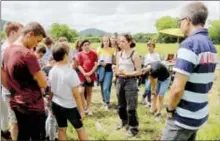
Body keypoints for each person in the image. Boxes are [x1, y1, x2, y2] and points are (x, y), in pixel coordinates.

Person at [161, 2, 218, 141]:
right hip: (199, 113)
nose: (179, 25)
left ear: (187, 20)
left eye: (179, 21)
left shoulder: (189, 44)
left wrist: (170, 109)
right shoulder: (211, 45)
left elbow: (176, 89)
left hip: (183, 117)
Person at [1, 22, 47, 140]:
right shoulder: (28, 54)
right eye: (37, 41)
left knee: (23, 135)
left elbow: (2, 74)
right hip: (33, 106)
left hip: (16, 102)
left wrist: (13, 90)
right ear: (30, 34)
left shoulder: (7, 50)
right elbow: (43, 83)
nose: (36, 45)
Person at [49, 42, 87, 140]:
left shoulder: (52, 70)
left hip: (56, 104)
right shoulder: (71, 73)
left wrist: (51, 105)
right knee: (80, 129)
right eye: (69, 53)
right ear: (65, 55)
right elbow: (76, 95)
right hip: (70, 106)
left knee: (62, 129)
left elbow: (51, 91)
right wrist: (81, 110)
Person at [1, 22, 23, 140]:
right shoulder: (4, 50)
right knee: (14, 122)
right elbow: (2, 74)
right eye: (21, 33)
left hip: (16, 92)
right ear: (13, 33)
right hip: (11, 93)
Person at [115, 34, 141, 136]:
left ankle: (133, 129)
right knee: (121, 105)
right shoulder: (118, 54)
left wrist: (128, 74)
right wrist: (116, 71)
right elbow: (117, 68)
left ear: (129, 42)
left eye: (123, 41)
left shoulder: (134, 54)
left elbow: (139, 71)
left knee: (131, 107)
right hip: (120, 81)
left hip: (131, 81)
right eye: (119, 41)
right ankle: (124, 121)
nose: (120, 44)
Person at [76, 40, 98, 115]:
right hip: (82, 75)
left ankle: (88, 108)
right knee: (80, 92)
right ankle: (84, 106)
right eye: (84, 45)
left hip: (91, 74)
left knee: (89, 92)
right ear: (81, 46)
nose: (86, 46)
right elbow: (78, 65)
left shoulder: (94, 54)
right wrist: (85, 74)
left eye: (88, 44)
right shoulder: (79, 54)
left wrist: (90, 73)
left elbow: (95, 65)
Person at [96, 36, 115, 111]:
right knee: (102, 86)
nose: (106, 42)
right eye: (104, 41)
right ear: (102, 42)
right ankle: (104, 100)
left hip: (109, 69)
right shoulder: (99, 49)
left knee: (106, 87)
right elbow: (96, 59)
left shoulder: (112, 50)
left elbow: (115, 60)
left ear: (109, 41)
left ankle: (107, 103)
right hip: (101, 69)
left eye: (107, 41)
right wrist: (101, 62)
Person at [142, 40, 161, 107]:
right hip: (147, 73)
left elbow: (158, 64)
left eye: (150, 46)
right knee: (147, 87)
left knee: (150, 87)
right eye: (148, 46)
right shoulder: (146, 55)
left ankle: (148, 101)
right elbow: (145, 64)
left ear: (153, 47)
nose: (149, 48)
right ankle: (146, 98)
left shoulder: (156, 55)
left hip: (154, 73)